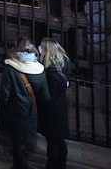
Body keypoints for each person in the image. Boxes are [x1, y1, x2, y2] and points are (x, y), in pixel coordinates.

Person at [0, 39, 49, 169]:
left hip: (15, 112)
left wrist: (3, 104)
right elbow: (45, 96)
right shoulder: (39, 70)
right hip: (31, 112)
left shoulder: (10, 69)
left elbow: (4, 94)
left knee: (17, 144)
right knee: (24, 141)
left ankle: (20, 166)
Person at [37, 39, 70, 169]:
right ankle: (62, 165)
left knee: (53, 142)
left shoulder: (51, 73)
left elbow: (47, 96)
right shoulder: (63, 65)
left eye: (42, 49)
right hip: (61, 107)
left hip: (52, 112)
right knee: (60, 140)